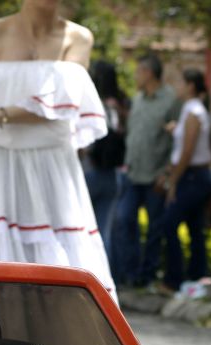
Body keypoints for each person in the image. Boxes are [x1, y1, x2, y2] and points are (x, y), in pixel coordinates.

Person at [0, 0, 117, 298]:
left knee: (63, 250)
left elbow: (65, 98)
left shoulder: (78, 37)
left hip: (53, 161)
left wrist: (0, 113)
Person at [113, 54, 180, 289]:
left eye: (138, 71)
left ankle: (147, 276)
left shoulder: (171, 100)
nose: (135, 76)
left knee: (154, 228)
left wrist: (169, 172)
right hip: (133, 173)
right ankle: (131, 274)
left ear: (148, 72)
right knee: (124, 219)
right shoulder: (137, 99)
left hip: (156, 175)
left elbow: (178, 140)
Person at [156, 68, 211, 292]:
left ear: (190, 85)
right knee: (194, 227)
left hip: (193, 176)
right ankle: (197, 276)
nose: (176, 87)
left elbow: (187, 151)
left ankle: (174, 279)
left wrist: (173, 181)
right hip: (192, 175)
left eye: (180, 82)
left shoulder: (194, 111)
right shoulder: (189, 110)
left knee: (169, 223)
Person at [83, 60, 129, 275]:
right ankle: (104, 280)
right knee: (104, 234)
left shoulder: (91, 103)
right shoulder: (120, 105)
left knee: (83, 232)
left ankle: (84, 275)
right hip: (113, 176)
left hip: (89, 172)